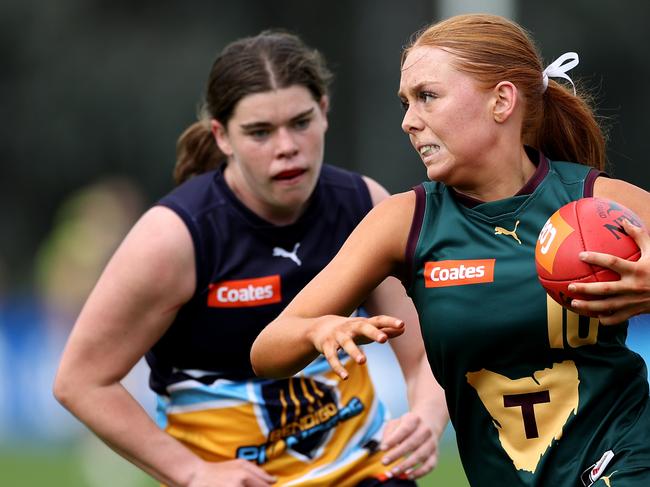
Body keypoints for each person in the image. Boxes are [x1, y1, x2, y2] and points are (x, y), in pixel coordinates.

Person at [250, 14, 650, 487]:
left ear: (501, 101)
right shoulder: (404, 221)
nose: (407, 121)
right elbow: (266, 352)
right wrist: (319, 330)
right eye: (405, 102)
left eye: (427, 97)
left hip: (625, 459)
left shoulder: (600, 203)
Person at [53, 30, 449, 487]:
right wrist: (193, 471)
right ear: (222, 136)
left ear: (323, 112)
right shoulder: (175, 237)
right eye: (260, 132)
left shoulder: (362, 205)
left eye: (301, 122)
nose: (287, 146)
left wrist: (425, 416)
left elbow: (423, 356)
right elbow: (81, 381)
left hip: (364, 474)